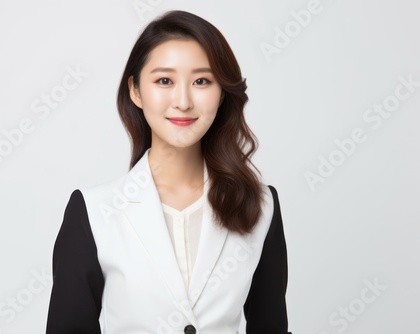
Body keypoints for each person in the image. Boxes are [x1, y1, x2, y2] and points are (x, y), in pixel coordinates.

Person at [46, 10, 292, 334]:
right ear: (135, 90)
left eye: (201, 81)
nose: (183, 101)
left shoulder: (261, 207)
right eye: (164, 81)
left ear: (221, 94)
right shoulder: (93, 212)